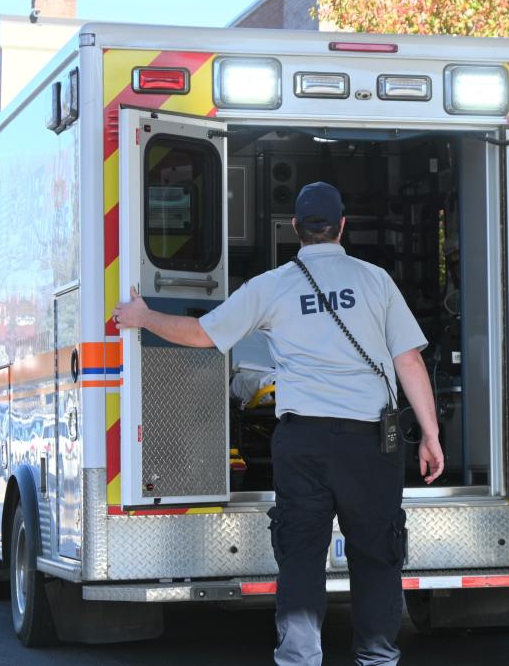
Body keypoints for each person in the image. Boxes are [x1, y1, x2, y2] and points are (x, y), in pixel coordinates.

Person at [114, 181, 444, 666]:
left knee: (301, 555)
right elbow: (409, 362)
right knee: (377, 556)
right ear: (342, 227)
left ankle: (299, 659)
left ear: (295, 229)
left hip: (303, 442)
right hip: (370, 444)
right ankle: (376, 658)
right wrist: (431, 436)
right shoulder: (376, 281)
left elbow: (204, 335)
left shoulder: (272, 286)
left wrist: (144, 317)